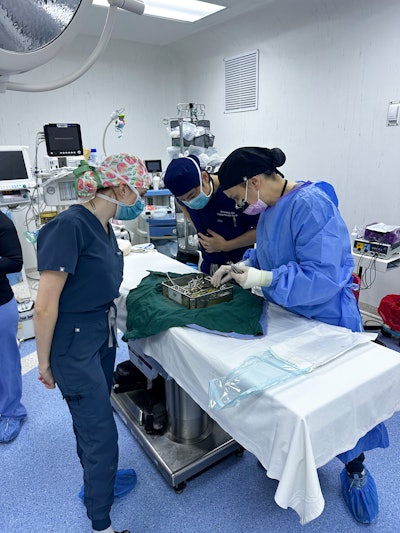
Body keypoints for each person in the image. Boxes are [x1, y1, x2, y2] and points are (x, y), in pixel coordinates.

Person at [211, 146, 388, 525]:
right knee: (292, 402)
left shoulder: (311, 205)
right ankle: (288, 457)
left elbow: (322, 278)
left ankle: (355, 469)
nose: (243, 206)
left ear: (254, 182)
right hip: (290, 318)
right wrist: (242, 267)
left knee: (341, 409)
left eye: (240, 197)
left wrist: (264, 280)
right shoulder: (272, 209)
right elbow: (268, 255)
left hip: (328, 322)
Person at [34, 153, 151, 533]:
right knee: (100, 433)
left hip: (100, 337)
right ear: (118, 187)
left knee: (93, 422)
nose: (139, 201)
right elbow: (45, 306)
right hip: (74, 345)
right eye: (138, 192)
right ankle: (100, 523)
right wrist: (44, 363)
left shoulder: (102, 226)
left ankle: (99, 482)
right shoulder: (69, 227)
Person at [163, 155, 259, 274]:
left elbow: (260, 231)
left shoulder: (233, 192)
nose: (190, 203)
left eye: (192, 196)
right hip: (208, 266)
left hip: (239, 267)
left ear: (204, 177)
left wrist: (226, 245)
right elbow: (182, 204)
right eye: (184, 199)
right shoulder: (183, 200)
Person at [0, 210, 27, 443]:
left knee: (6, 360)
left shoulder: (3, 223)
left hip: (0, 304)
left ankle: (12, 412)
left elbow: (15, 262)